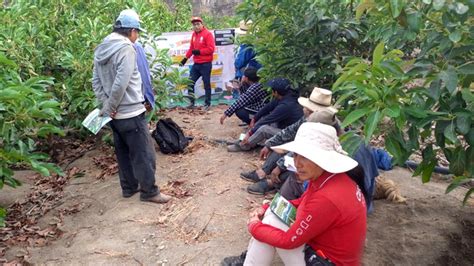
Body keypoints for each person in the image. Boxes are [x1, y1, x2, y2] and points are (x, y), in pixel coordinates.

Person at [222, 123, 367, 265]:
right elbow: (303, 201)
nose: (297, 163)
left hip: (326, 261)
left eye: (305, 157)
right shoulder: (329, 177)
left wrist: (254, 226)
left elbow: (289, 240)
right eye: (296, 155)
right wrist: (267, 208)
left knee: (271, 222)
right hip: (324, 255)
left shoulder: (326, 197)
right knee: (271, 216)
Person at [92, 10, 171, 204]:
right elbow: (122, 82)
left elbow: (95, 80)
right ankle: (149, 192)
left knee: (123, 152)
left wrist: (106, 105)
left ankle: (129, 188)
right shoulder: (126, 48)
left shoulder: (102, 48)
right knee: (143, 153)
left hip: (114, 115)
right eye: (138, 33)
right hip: (130, 111)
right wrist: (111, 105)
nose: (137, 37)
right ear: (132, 31)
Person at [240, 87, 337, 185]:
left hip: (319, 161)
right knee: (282, 146)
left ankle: (271, 183)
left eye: (308, 108)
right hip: (305, 155)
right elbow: (289, 131)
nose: (304, 109)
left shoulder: (324, 124)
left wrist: (279, 166)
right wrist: (269, 145)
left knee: (291, 172)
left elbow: (301, 148)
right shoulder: (308, 118)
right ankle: (263, 172)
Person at [227, 78, 303, 152]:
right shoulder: (286, 96)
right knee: (262, 120)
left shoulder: (285, 106)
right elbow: (268, 107)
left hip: (290, 136)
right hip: (285, 127)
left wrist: (250, 133)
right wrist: (255, 118)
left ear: (276, 92)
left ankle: (244, 145)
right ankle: (243, 139)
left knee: (264, 129)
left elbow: (267, 120)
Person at [118, 9, 155, 111]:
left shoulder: (106, 46)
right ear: (133, 31)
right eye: (137, 32)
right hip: (134, 104)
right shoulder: (135, 47)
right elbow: (143, 74)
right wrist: (149, 99)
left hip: (113, 107)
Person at [180, 16, 215, 110]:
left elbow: (211, 49)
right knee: (190, 82)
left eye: (198, 24)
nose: (196, 26)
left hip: (206, 64)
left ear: (202, 24)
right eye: (194, 24)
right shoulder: (194, 35)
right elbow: (191, 49)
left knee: (206, 84)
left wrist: (199, 52)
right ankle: (192, 103)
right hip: (196, 64)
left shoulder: (208, 34)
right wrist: (185, 59)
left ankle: (207, 103)